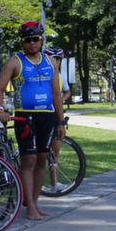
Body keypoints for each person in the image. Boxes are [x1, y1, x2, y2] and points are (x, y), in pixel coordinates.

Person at [0, 21, 65, 220]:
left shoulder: (50, 62)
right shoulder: (14, 62)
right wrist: (0, 109)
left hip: (47, 116)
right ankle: (30, 206)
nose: (32, 43)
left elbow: (57, 93)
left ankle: (35, 202)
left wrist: (60, 121)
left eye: (35, 39)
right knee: (29, 159)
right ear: (22, 42)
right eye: (28, 40)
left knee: (43, 159)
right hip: (25, 116)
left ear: (41, 40)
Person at [43, 45, 72, 191]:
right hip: (42, 114)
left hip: (55, 115)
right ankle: (39, 184)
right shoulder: (41, 75)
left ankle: (55, 183)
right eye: (52, 58)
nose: (55, 61)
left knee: (55, 152)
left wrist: (62, 99)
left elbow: (67, 92)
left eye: (58, 59)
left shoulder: (60, 78)